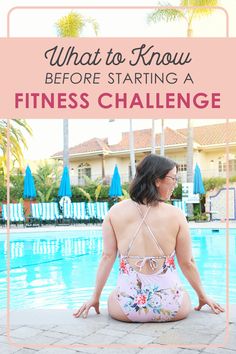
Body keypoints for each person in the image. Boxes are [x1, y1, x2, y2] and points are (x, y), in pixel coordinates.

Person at [73, 154, 224, 322]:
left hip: (126, 309)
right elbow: (187, 262)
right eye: (173, 178)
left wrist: (95, 297)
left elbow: (107, 257)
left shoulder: (114, 213)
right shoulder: (176, 215)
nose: (176, 184)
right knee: (183, 294)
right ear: (157, 180)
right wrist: (203, 296)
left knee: (113, 297)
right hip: (173, 307)